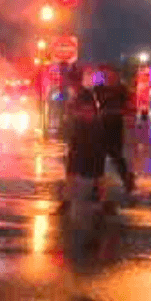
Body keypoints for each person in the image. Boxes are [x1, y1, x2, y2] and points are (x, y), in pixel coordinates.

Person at [62, 66, 106, 225]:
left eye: (71, 81)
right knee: (72, 171)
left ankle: (101, 203)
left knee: (97, 173)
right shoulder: (76, 94)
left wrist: (76, 114)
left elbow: (89, 113)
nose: (69, 83)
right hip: (79, 137)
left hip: (89, 137)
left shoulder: (85, 94)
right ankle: (67, 201)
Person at [93, 65, 136, 195]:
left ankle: (127, 180)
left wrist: (126, 114)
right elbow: (97, 105)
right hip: (102, 124)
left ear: (116, 76)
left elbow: (128, 106)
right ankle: (96, 183)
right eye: (107, 75)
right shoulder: (99, 89)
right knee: (99, 155)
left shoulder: (122, 89)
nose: (109, 77)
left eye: (112, 75)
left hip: (116, 125)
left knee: (116, 154)